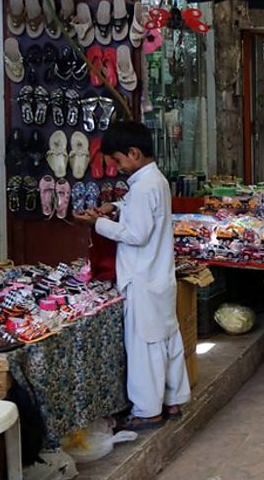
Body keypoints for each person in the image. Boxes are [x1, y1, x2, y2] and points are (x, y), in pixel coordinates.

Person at [73, 121, 190, 431]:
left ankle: (148, 410)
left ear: (134, 153)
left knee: (144, 347)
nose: (117, 167)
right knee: (166, 340)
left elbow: (136, 234)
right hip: (158, 276)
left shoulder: (144, 187)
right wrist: (113, 206)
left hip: (142, 278)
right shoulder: (155, 181)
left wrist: (96, 224)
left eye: (118, 160)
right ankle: (172, 400)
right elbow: (138, 211)